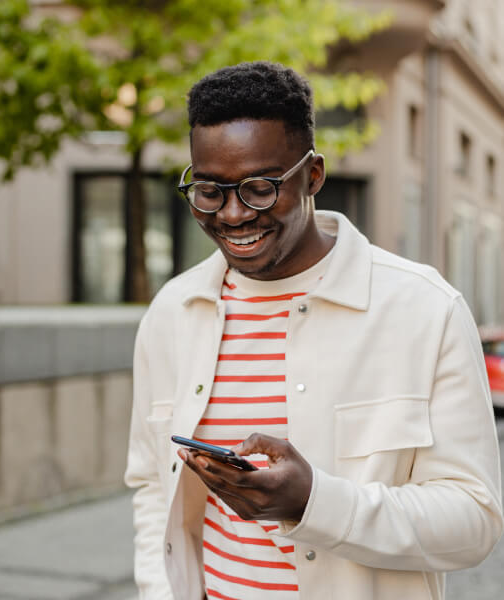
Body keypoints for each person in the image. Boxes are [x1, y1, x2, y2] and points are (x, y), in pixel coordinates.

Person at [124, 61, 503, 600]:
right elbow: (149, 483)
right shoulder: (172, 313)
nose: (232, 215)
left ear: (314, 175)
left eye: (260, 187)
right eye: (209, 191)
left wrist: (314, 504)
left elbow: (474, 522)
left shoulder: (425, 309)